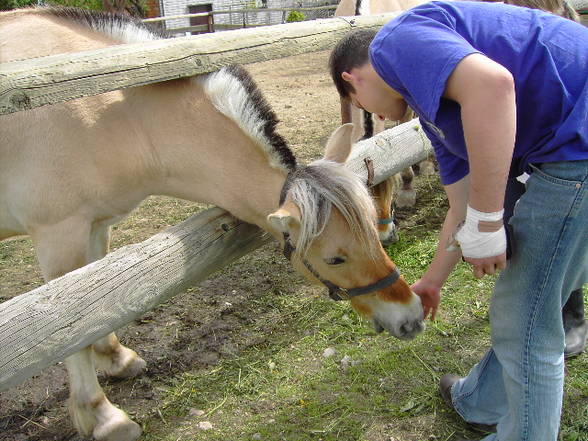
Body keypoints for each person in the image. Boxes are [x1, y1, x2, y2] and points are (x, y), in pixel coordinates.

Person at [329, 2, 588, 441]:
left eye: (360, 106)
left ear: (352, 79)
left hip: (575, 151)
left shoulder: (394, 42)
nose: (381, 118)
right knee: (536, 295)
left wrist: (489, 224)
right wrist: (432, 282)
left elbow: (494, 84)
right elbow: (461, 208)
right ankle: (479, 403)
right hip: (570, 147)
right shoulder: (438, 116)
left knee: (525, 313)